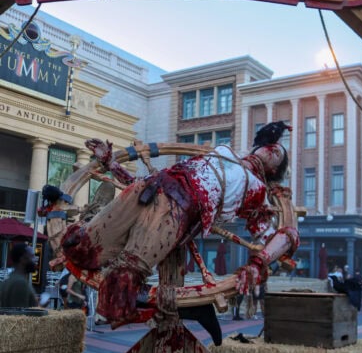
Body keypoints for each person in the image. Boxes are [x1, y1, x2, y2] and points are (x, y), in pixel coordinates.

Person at [61, 122, 299, 327]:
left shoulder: (257, 191)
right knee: (77, 247)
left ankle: (174, 309)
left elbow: (284, 236)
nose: (270, 149)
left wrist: (257, 265)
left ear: (275, 169)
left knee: (122, 283)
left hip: (176, 211)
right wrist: (111, 164)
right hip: (149, 186)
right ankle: (171, 307)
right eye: (270, 145)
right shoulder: (222, 151)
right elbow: (140, 181)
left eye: (277, 152)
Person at [0, 243, 38, 308]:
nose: (35, 260)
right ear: (22, 259)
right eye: (32, 256)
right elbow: (20, 315)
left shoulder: (8, 280)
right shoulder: (20, 283)